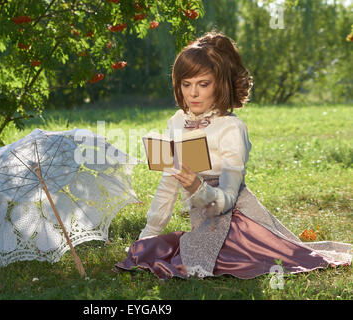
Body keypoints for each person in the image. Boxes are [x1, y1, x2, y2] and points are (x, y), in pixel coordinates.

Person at [115, 31, 352, 280]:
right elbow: (167, 186)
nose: (193, 93)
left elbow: (228, 197)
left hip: (235, 218)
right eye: (186, 84)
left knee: (224, 259)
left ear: (220, 84)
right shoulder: (176, 122)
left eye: (203, 84)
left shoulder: (231, 128)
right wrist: (147, 235)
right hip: (203, 220)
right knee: (154, 250)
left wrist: (197, 187)